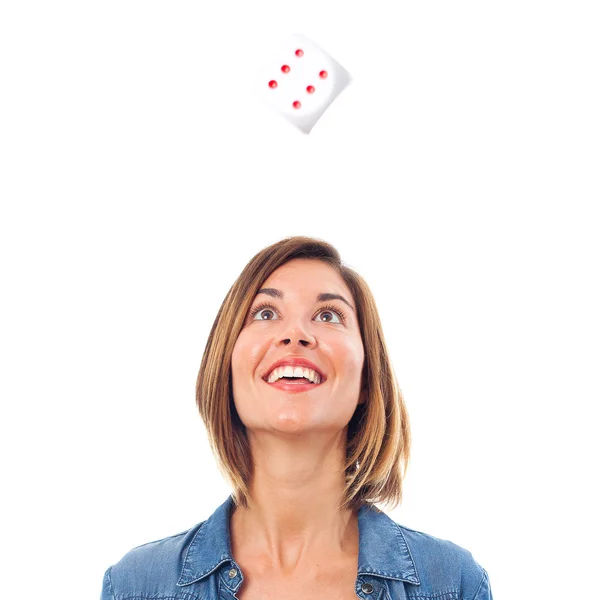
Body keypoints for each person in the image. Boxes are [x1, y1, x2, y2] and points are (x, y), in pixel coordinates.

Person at [100, 235, 493, 600]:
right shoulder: (137, 585)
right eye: (266, 312)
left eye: (328, 315)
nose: (296, 334)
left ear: (366, 382)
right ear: (226, 366)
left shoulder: (452, 583)